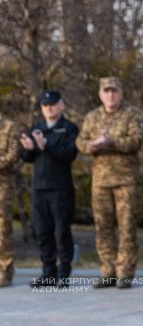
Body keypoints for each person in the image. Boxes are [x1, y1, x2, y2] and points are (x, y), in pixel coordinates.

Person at [76, 76, 143, 289]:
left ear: (121, 93)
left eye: (114, 91)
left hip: (126, 181)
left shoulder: (132, 114)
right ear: (100, 94)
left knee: (126, 227)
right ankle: (107, 270)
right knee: (103, 227)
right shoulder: (92, 116)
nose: (110, 95)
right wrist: (92, 145)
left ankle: (125, 272)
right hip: (101, 182)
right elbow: (80, 142)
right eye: (106, 91)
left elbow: (137, 140)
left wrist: (111, 142)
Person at [20, 91, 79, 287]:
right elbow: (28, 158)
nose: (49, 108)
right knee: (43, 232)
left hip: (60, 188)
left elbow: (69, 155)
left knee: (61, 231)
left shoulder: (69, 128)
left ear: (61, 105)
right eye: (45, 105)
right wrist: (28, 149)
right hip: (40, 188)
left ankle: (63, 273)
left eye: (53, 104)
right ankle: (48, 272)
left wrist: (46, 147)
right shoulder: (37, 128)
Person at [0, 112, 20, 288]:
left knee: (3, 229)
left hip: (2, 186)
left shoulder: (9, 127)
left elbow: (13, 155)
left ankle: (5, 270)